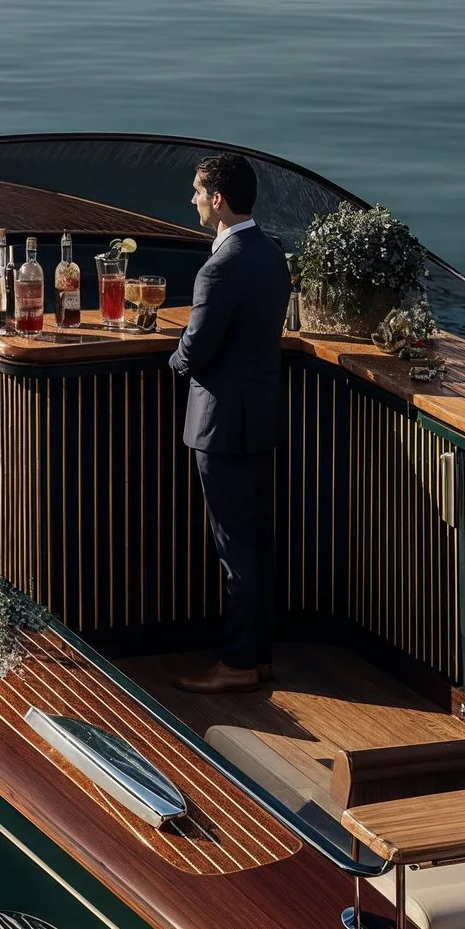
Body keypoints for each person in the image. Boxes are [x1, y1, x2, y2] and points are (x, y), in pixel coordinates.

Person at [168, 152, 291, 693]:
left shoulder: (220, 266)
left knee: (234, 549)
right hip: (259, 420)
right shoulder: (271, 255)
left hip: (221, 427)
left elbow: (195, 349)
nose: (192, 199)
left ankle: (238, 664)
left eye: (197, 191)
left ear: (218, 199)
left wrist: (172, 357)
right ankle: (259, 657)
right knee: (258, 543)